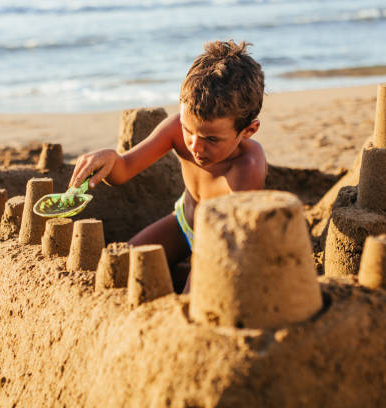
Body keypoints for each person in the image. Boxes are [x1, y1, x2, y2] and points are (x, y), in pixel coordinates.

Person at [69, 40, 267, 292]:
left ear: (249, 130)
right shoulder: (175, 128)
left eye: (211, 139)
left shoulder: (247, 166)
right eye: (188, 129)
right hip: (183, 224)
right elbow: (124, 171)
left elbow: (231, 242)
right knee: (118, 266)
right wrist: (111, 160)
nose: (195, 145)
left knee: (191, 302)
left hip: (222, 241)